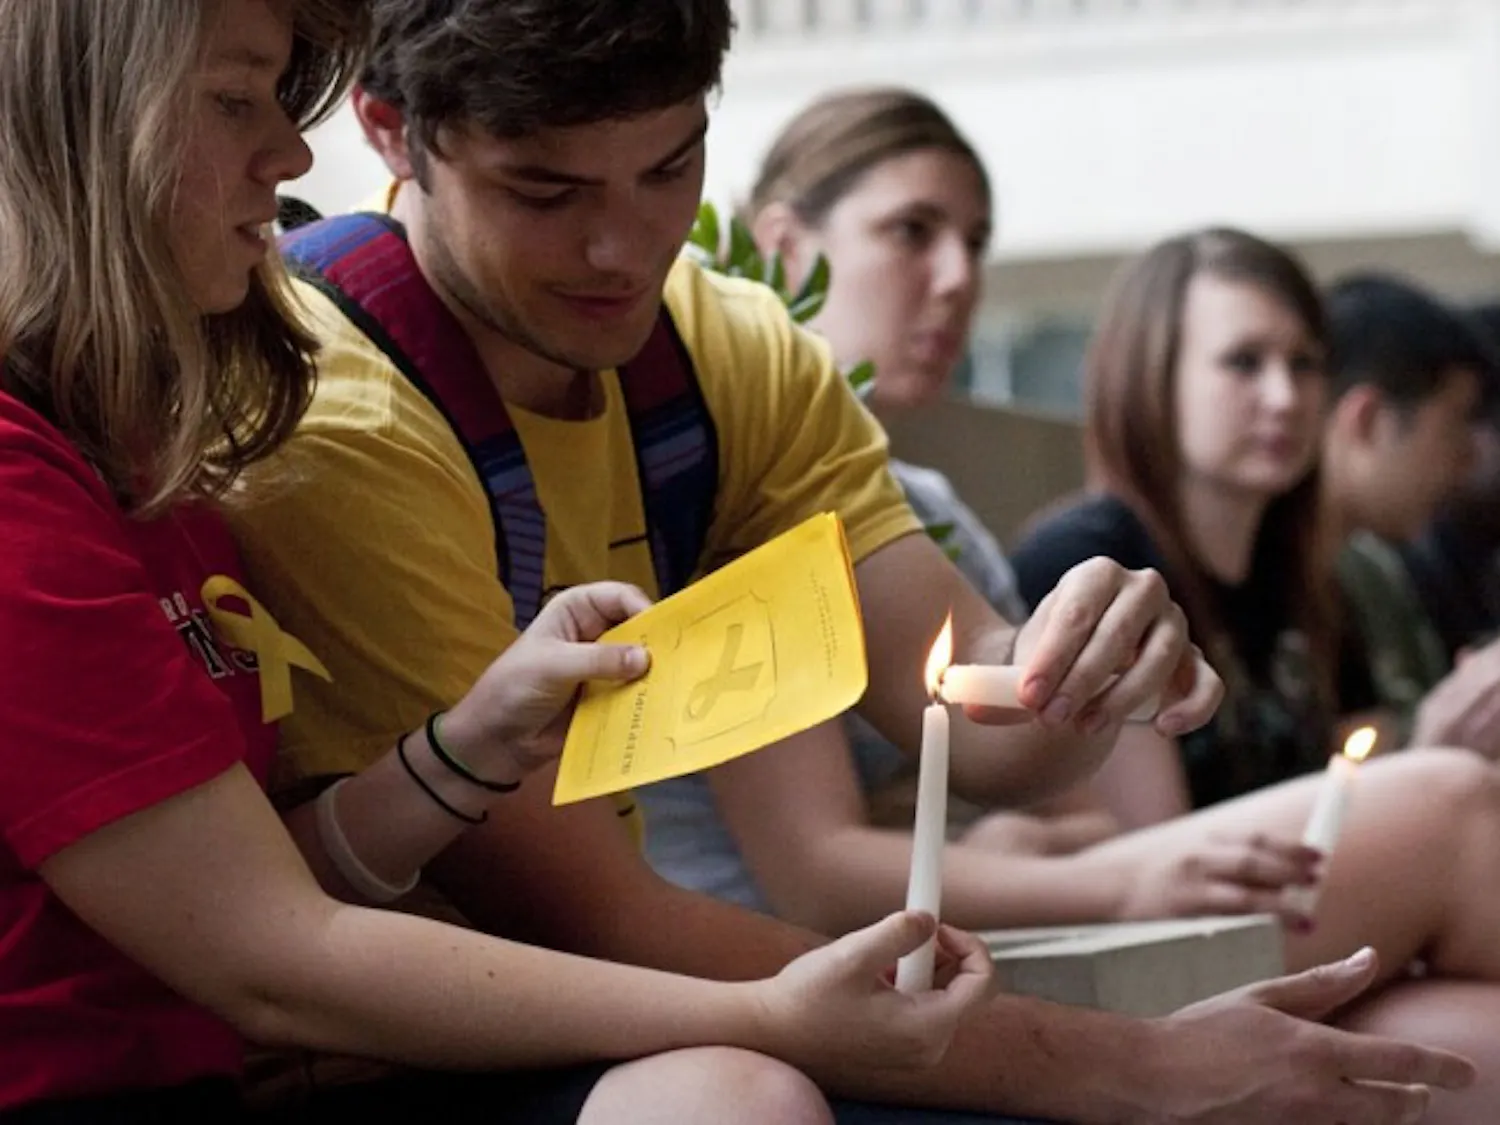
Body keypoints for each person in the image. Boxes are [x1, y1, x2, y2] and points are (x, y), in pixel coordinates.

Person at [223, 3, 1477, 1122]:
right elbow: (595, 924)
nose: (621, 249)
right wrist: (1131, 1061)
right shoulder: (341, 418)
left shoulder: (726, 348)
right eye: (545, 194)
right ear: (389, 132)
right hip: (463, 1031)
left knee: (1455, 1032)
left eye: (668, 170)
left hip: (745, 980)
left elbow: (987, 721)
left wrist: (1081, 665)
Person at [0, 2, 1004, 1123]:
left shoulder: (133, 456)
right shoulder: (50, 481)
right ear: (77, 128)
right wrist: (765, 1016)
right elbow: (275, 958)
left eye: (669, 168)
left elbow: (262, 892)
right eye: (236, 101)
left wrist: (459, 755)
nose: (288, 152)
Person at [638, 87, 1301, 930]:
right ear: (782, 245)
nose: (959, 278)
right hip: (773, 972)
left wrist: (990, 822)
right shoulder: (721, 466)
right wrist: (1010, 852)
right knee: (1448, 803)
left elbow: (1082, 809)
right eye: (912, 231)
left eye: (976, 243)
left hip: (961, 943)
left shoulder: (931, 508)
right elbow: (819, 866)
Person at [1008, 227, 1500, 1124]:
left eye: (1305, 364)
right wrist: (1426, 751)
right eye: (1244, 363)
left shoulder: (1313, 578)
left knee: (1484, 1046)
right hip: (1159, 952)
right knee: (1460, 804)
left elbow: (1347, 770)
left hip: (1314, 939)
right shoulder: (1091, 561)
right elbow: (1157, 861)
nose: (1284, 396)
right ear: (1153, 376)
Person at [1320, 275, 1500, 752]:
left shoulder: (1372, 574)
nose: (1465, 457)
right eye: (1456, 423)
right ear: (1369, 419)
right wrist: (1435, 746)